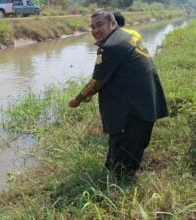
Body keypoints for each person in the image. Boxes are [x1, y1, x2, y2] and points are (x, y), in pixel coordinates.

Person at [68, 9, 168, 178]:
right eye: (92, 27)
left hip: (132, 108)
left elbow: (96, 82)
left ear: (113, 24)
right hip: (147, 99)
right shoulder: (130, 34)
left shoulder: (109, 47)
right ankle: (116, 174)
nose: (95, 30)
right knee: (127, 146)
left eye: (99, 25)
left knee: (124, 158)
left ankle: (121, 185)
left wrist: (77, 100)